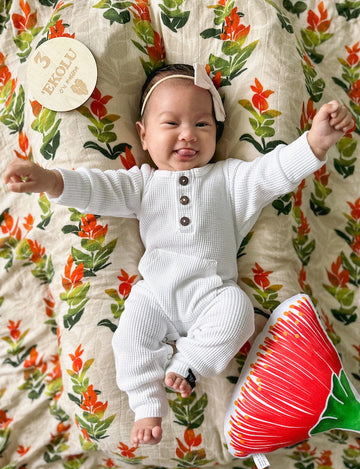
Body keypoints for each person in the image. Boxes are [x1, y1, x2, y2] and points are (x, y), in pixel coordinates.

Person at [4, 63, 354, 448]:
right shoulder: (142, 184)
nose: (188, 134)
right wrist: (51, 180)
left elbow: (275, 171)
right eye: (171, 124)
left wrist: (316, 142)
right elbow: (97, 187)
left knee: (238, 311)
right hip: (155, 293)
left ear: (216, 132)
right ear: (144, 135)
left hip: (212, 294)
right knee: (128, 340)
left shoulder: (230, 179)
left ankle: (188, 364)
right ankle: (147, 404)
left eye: (202, 125)